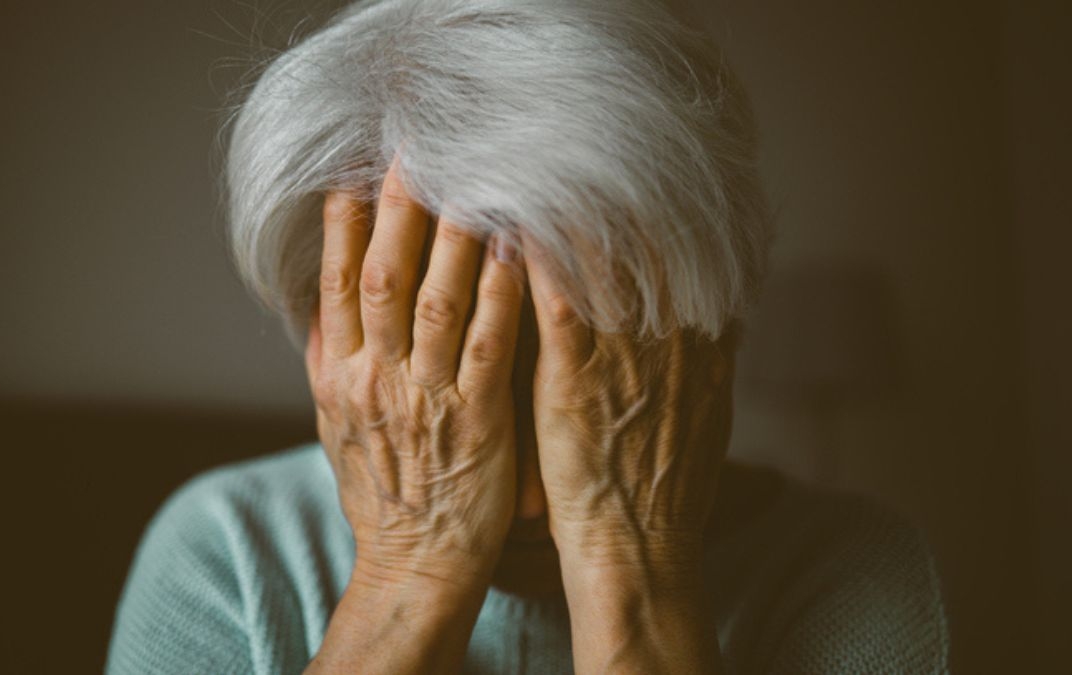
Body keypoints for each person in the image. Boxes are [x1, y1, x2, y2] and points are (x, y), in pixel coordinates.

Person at [107, 0, 950, 672]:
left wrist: (639, 571)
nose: (527, 501)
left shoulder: (851, 573)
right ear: (326, 348)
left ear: (710, 339)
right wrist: (406, 575)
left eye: (579, 385)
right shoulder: (225, 552)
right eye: (449, 386)